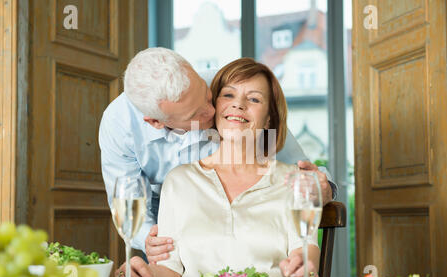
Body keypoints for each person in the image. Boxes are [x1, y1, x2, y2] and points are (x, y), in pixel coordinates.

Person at [99, 48, 337, 263]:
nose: (212, 111)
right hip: (172, 219)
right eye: (197, 113)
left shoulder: (226, 88)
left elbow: (296, 166)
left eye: (206, 96)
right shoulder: (120, 126)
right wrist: (151, 243)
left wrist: (323, 189)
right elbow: (128, 202)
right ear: (156, 122)